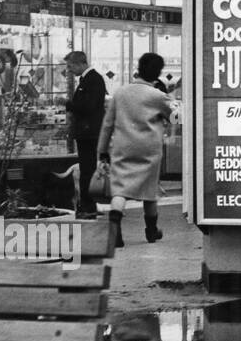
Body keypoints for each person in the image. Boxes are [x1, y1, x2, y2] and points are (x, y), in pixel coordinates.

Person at [98, 53, 172, 248]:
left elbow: (107, 124)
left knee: (120, 190)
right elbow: (175, 116)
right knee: (149, 191)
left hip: (123, 147)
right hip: (149, 149)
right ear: (157, 73)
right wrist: (167, 126)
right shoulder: (157, 96)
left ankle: (115, 230)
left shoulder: (120, 93)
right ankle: (151, 231)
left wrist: (102, 151)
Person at [59, 51, 106, 219]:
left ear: (80, 63)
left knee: (88, 170)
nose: (70, 70)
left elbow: (88, 106)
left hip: (89, 133)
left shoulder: (93, 80)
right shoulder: (87, 80)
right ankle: (88, 205)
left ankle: (88, 206)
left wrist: (68, 104)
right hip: (87, 133)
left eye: (71, 66)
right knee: (87, 169)